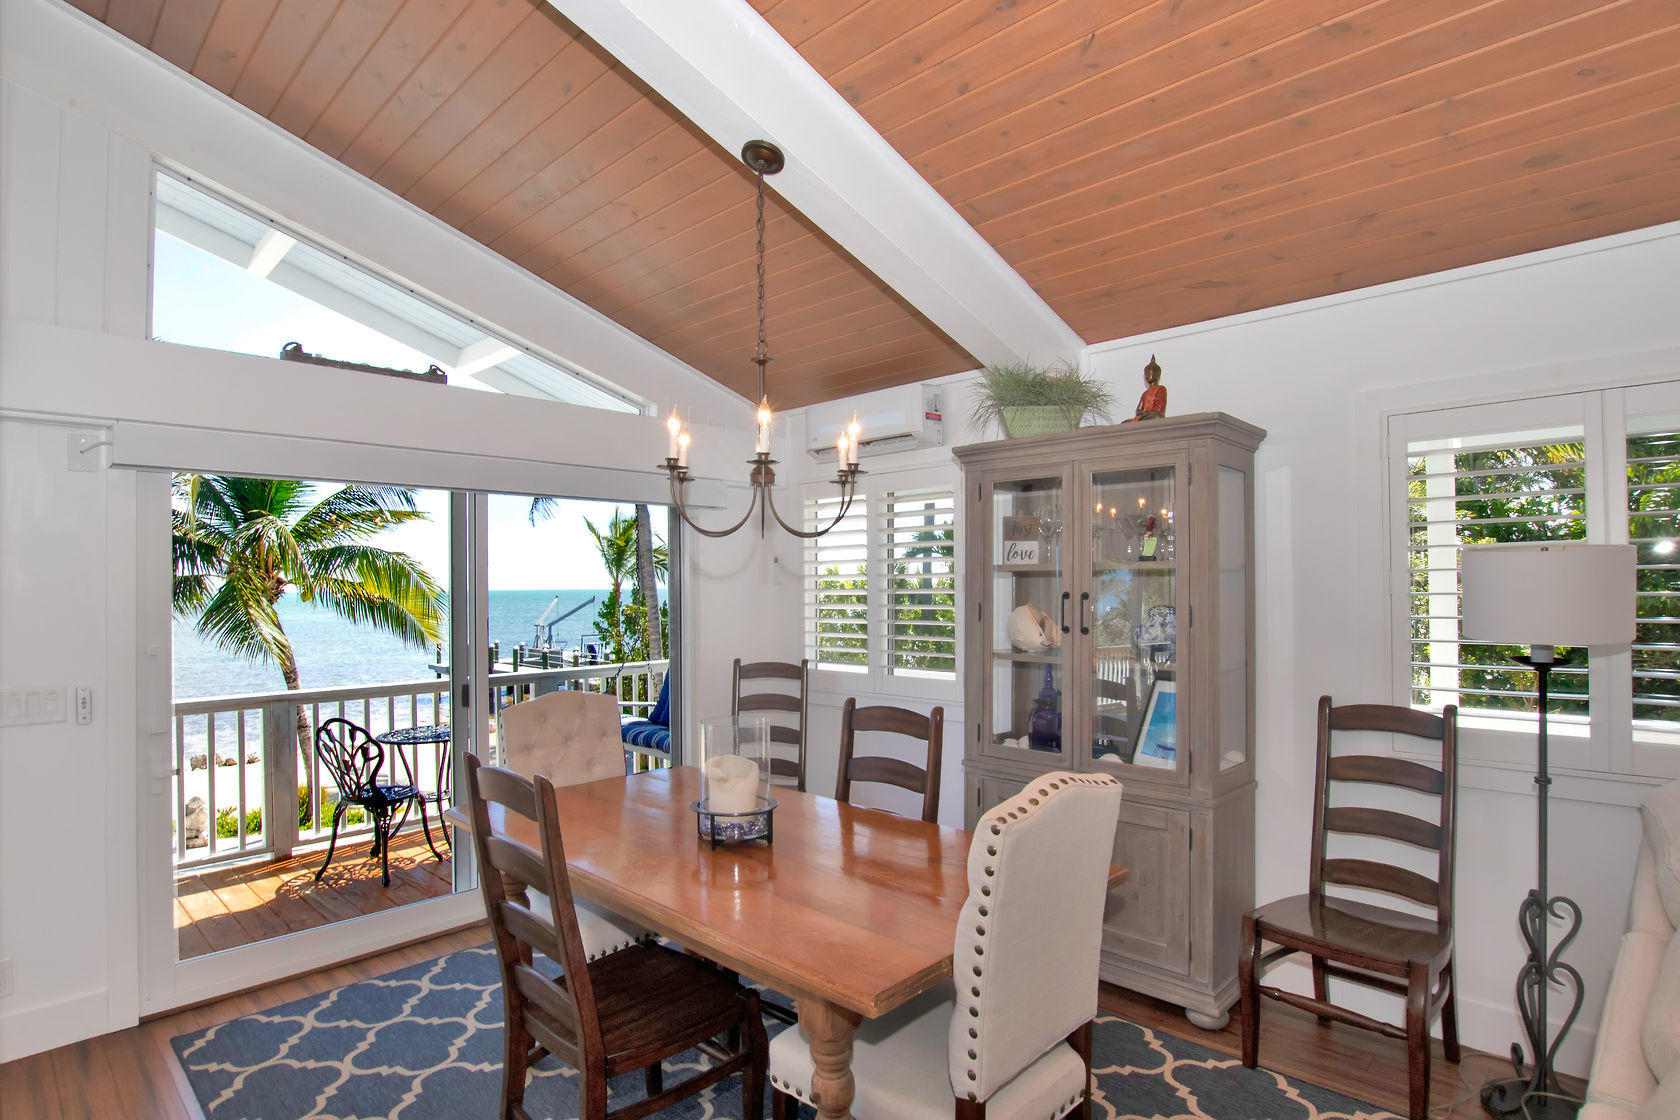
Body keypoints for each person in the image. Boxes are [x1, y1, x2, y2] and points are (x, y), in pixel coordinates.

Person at [1123, 355, 1166, 422]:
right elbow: (1138, 411)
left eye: (1149, 373)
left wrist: (1149, 412)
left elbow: (1160, 407)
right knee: (1125, 422)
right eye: (1146, 374)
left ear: (1157, 374)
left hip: (1153, 414)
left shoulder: (1161, 389)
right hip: (1145, 416)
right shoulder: (1145, 394)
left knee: (1156, 416)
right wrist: (1144, 413)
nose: (1147, 376)